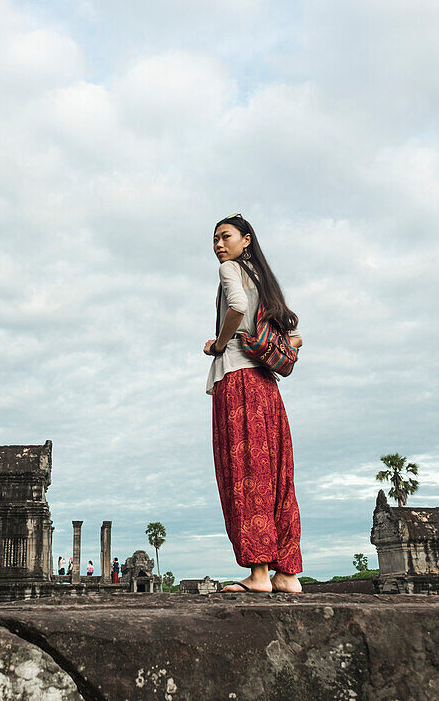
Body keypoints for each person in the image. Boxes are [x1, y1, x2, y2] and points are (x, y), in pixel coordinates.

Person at [204, 214, 303, 593]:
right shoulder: (266, 279)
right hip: (267, 386)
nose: (218, 245)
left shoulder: (231, 270)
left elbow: (237, 306)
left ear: (246, 240)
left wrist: (217, 343)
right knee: (277, 473)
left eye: (225, 237)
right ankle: (287, 574)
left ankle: (259, 573)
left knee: (245, 473)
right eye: (214, 239)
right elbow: (294, 336)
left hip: (239, 380)